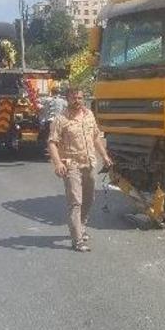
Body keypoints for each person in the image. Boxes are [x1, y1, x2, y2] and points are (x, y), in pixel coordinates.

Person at [47, 87, 113, 252]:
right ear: (67, 99)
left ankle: (81, 226)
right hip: (71, 165)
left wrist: (104, 156)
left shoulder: (89, 115)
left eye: (80, 98)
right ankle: (77, 240)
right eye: (74, 98)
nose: (77, 101)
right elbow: (52, 143)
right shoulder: (60, 120)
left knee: (89, 198)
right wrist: (58, 163)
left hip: (89, 163)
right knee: (75, 201)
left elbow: (96, 137)